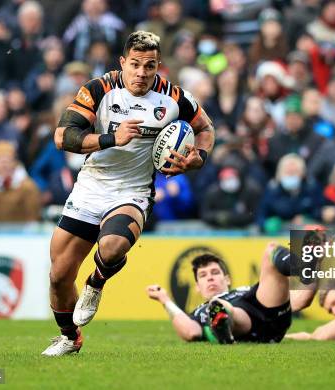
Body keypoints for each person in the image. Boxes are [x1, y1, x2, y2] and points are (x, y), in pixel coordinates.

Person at [41, 31, 215, 356]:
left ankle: (96, 282)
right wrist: (110, 137)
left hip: (133, 191)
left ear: (158, 66)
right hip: (91, 186)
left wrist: (198, 158)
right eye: (135, 64)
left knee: (112, 245)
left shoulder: (174, 98)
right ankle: (69, 337)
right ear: (123, 63)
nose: (141, 73)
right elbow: (63, 136)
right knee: (58, 276)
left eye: (149, 66)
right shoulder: (99, 89)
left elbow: (205, 128)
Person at [146, 241, 317, 343]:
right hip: (244, 322)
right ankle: (222, 323)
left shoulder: (245, 291)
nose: (210, 278)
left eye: (215, 273)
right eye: (203, 276)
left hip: (270, 312)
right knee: (219, 305)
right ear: (197, 286)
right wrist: (164, 299)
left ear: (227, 279)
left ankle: (305, 265)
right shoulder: (198, 312)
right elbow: (191, 332)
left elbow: (301, 300)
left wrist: (318, 268)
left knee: (270, 248)